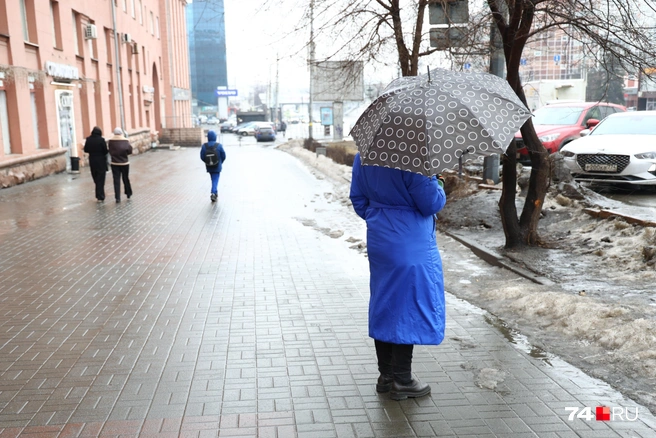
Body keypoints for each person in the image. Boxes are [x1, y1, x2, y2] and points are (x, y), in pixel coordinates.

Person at [349, 153, 447, 401]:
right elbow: (431, 203)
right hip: (410, 241)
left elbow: (358, 200)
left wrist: (381, 218)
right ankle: (403, 380)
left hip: (381, 239)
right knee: (407, 307)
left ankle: (386, 376)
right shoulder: (414, 158)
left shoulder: (365, 156)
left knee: (385, 303)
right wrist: (439, 183)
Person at [200, 130, 226, 202]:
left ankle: (215, 192)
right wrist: (220, 162)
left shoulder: (204, 146)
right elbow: (223, 155)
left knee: (213, 178)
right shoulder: (219, 145)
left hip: (209, 166)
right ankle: (213, 193)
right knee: (215, 179)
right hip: (217, 166)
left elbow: (202, 156)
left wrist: (207, 162)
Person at [83, 126, 108, 202]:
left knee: (95, 177)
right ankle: (100, 196)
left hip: (92, 160)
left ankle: (99, 194)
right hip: (101, 161)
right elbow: (105, 151)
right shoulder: (101, 140)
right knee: (101, 178)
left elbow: (86, 149)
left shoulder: (88, 139)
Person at [108, 127, 133, 203]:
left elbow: (110, 150)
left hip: (114, 163)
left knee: (116, 180)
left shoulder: (111, 141)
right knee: (125, 178)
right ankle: (128, 193)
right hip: (124, 163)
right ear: (121, 133)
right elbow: (129, 151)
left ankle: (117, 197)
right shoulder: (125, 141)